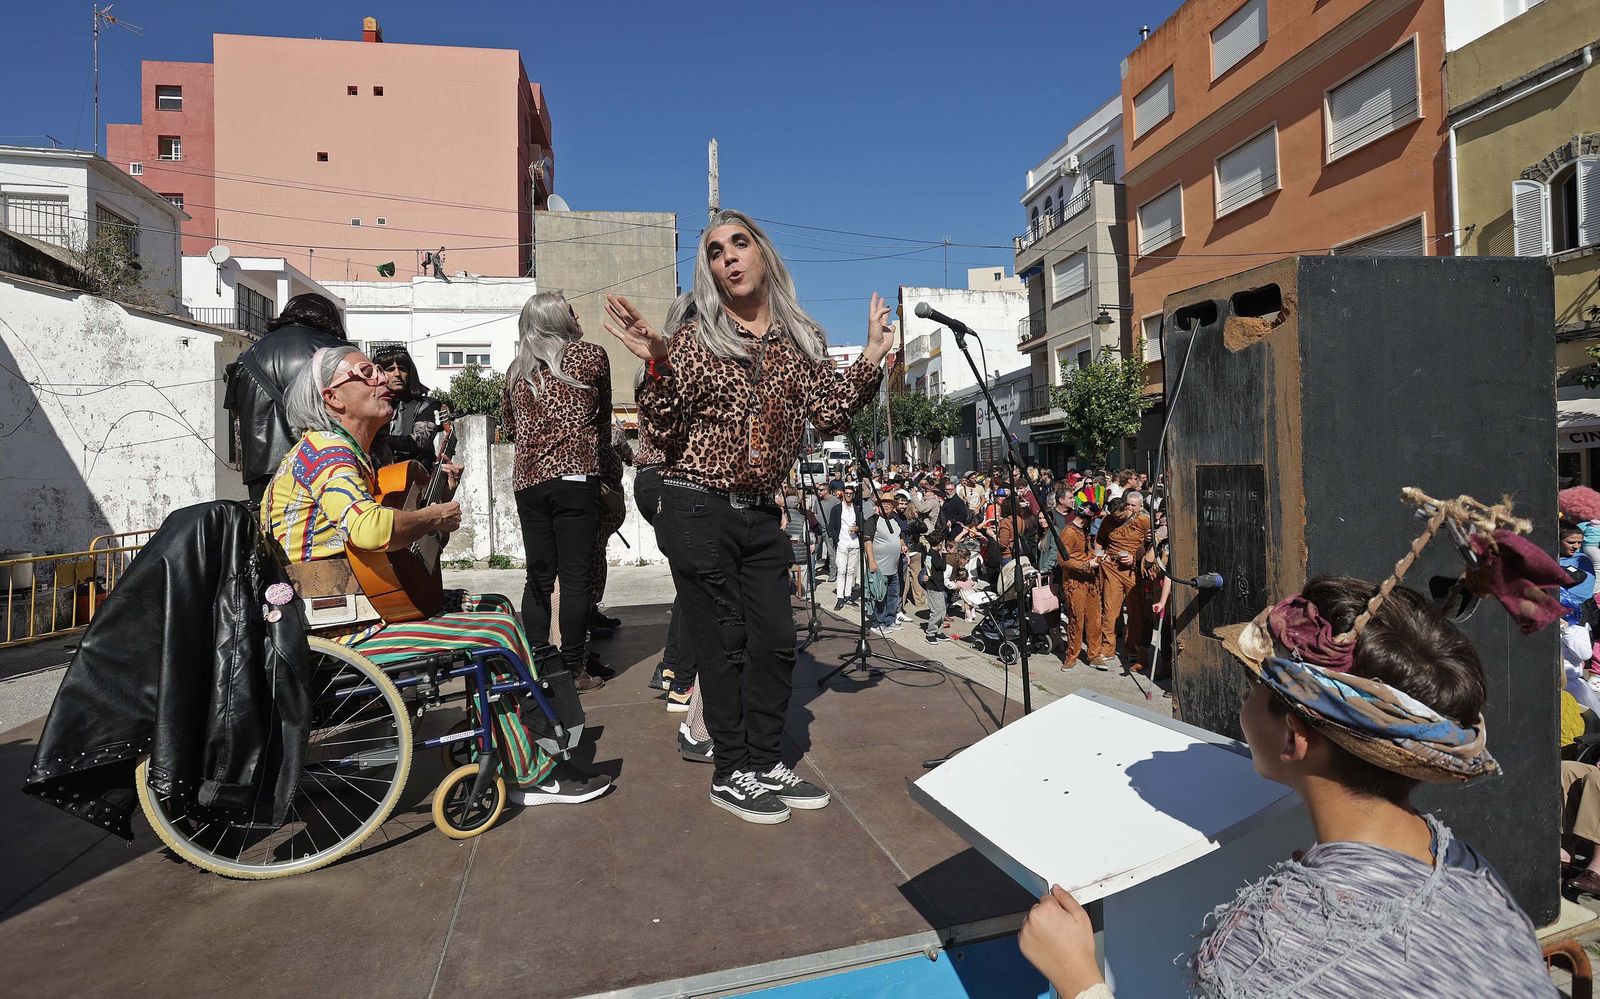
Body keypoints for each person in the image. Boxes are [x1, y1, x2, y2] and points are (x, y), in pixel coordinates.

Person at [1019, 576, 1552, 998]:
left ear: (1296, 737)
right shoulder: (1467, 868)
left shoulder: (1263, 953)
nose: (1243, 706)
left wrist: (1079, 981)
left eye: (1253, 687)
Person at [605, 208, 891, 825]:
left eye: (739, 244)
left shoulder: (798, 343)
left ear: (763, 254)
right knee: (723, 645)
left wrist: (871, 355)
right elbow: (662, 427)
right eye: (714, 251)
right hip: (696, 505)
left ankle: (765, 761)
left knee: (777, 642)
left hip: (762, 510)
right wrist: (656, 363)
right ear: (709, 271)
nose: (728, 256)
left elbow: (830, 413)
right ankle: (732, 769)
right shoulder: (692, 340)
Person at [262, 345, 610, 806]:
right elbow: (369, 531)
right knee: (498, 631)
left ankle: (511, 740)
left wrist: (435, 504)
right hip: (340, 631)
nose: (382, 379)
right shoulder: (328, 454)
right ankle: (533, 772)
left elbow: (392, 557)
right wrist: (431, 517)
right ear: (333, 398)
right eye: (365, 373)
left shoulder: (347, 455)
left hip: (354, 611)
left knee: (496, 607)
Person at [502, 291, 610, 692]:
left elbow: (510, 428)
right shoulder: (591, 356)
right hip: (575, 476)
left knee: (539, 577)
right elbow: (600, 421)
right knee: (576, 577)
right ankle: (573, 668)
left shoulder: (516, 369)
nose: (576, 314)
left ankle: (539, 661)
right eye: (570, 310)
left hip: (528, 481)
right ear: (556, 319)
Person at [634, 293, 699, 719]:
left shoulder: (653, 364)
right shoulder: (681, 363)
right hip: (671, 480)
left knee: (689, 584)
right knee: (697, 588)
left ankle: (672, 670)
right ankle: (680, 679)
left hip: (650, 481)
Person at [225, 293, 349, 505]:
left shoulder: (246, 357)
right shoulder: (337, 353)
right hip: (323, 464)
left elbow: (236, 415)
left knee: (271, 533)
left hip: (261, 472)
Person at [1088, 495, 1149, 671]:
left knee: (1135, 611)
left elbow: (1151, 544)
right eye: (1113, 516)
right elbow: (1100, 540)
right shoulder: (1108, 520)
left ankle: (1132, 647)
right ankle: (1108, 647)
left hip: (1133, 571)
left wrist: (1136, 556)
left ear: (1127, 509)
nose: (1116, 519)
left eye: (1119, 516)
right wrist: (1099, 557)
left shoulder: (1143, 521)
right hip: (1111, 567)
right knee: (1110, 608)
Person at [370, 344, 440, 468]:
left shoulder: (426, 405)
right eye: (390, 369)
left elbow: (420, 441)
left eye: (402, 368)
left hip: (417, 478)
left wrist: (381, 441)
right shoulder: (370, 403)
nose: (397, 374)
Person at [863, 493, 905, 636]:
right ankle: (877, 623)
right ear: (878, 505)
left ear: (893, 506)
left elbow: (898, 538)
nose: (886, 505)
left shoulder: (895, 521)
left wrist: (903, 545)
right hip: (879, 567)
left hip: (893, 567)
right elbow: (867, 541)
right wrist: (872, 561)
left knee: (893, 595)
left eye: (889, 503)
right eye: (883, 503)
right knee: (879, 596)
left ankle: (890, 620)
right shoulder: (872, 520)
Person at [830, 483, 864, 611]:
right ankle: (840, 597)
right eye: (847, 493)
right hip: (842, 543)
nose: (849, 495)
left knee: (851, 571)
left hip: (854, 543)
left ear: (853, 495)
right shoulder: (837, 509)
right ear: (843, 494)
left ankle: (848, 595)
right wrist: (837, 539)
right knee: (842, 571)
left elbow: (862, 524)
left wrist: (858, 528)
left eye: (851, 494)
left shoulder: (857, 509)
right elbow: (831, 526)